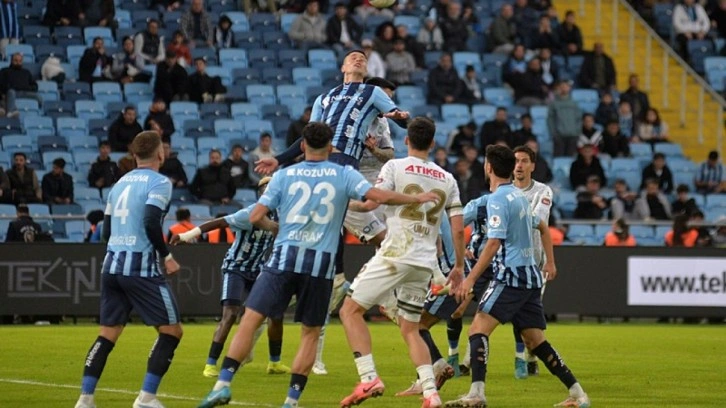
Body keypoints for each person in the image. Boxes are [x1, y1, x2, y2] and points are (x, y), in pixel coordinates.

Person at [196, 122, 438, 408]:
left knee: (250, 318)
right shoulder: (344, 174)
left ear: (302, 146)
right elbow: (379, 197)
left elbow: (254, 217)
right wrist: (416, 197)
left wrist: (278, 229)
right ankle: (291, 401)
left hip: (283, 260)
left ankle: (223, 384)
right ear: (331, 147)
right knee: (310, 334)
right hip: (320, 267)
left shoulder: (284, 175)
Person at [445, 145, 590, 408]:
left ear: (489, 167)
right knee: (535, 340)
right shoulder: (519, 196)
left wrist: (470, 279)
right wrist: (550, 261)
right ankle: (578, 394)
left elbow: (493, 243)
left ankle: (477, 394)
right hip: (531, 275)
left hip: (510, 276)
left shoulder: (498, 199)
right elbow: (543, 227)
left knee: (477, 329)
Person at [337, 117, 464, 408]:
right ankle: (431, 393)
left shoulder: (394, 166)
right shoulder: (447, 178)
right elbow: (457, 228)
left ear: (406, 140)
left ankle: (369, 378)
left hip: (396, 253)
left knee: (350, 310)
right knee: (411, 328)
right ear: (432, 143)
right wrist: (458, 267)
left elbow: (371, 204)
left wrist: (344, 203)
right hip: (424, 263)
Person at [73, 131, 183, 408]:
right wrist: (167, 255)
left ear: (135, 155)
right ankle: (146, 398)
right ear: (160, 154)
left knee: (107, 334)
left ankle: (85, 399)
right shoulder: (160, 182)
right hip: (140, 268)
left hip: (112, 266)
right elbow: (150, 221)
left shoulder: (119, 184)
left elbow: (106, 231)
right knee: (172, 331)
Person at [311, 77, 397, 375]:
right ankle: (379, 293)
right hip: (351, 190)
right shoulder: (348, 119)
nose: (387, 106)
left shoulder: (382, 124)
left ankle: (370, 289)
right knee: (384, 241)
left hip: (376, 189)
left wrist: (375, 150)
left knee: (392, 242)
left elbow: (390, 154)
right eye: (384, 98)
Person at [172, 177, 292, 377]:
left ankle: (274, 362)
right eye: (267, 188)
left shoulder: (282, 214)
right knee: (230, 314)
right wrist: (187, 235)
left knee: (275, 314)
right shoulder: (249, 213)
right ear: (261, 193)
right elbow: (218, 222)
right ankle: (210, 364)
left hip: (258, 269)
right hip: (235, 267)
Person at [510, 145, 554, 380]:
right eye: (516, 161)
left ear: (532, 166)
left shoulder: (543, 191)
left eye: (524, 161)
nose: (519, 165)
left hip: (536, 264)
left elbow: (539, 219)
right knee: (517, 313)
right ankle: (520, 359)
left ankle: (530, 356)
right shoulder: (504, 191)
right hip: (510, 262)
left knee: (529, 318)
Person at [548, 80, 583, 156]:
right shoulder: (553, 104)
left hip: (573, 135)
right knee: (558, 159)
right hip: (559, 136)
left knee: (571, 159)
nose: (564, 88)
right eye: (562, 86)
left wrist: (577, 132)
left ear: (569, 88)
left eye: (566, 86)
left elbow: (579, 118)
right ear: (558, 88)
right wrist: (554, 133)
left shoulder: (574, 103)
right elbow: (550, 120)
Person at [0, 52, 39, 117]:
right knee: (11, 92)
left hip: (25, 93)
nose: (18, 62)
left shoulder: (26, 72)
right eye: (16, 60)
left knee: (39, 97)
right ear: (11, 61)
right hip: (11, 93)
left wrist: (27, 88)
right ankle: (10, 112)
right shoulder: (4, 71)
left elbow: (35, 86)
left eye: (20, 61)